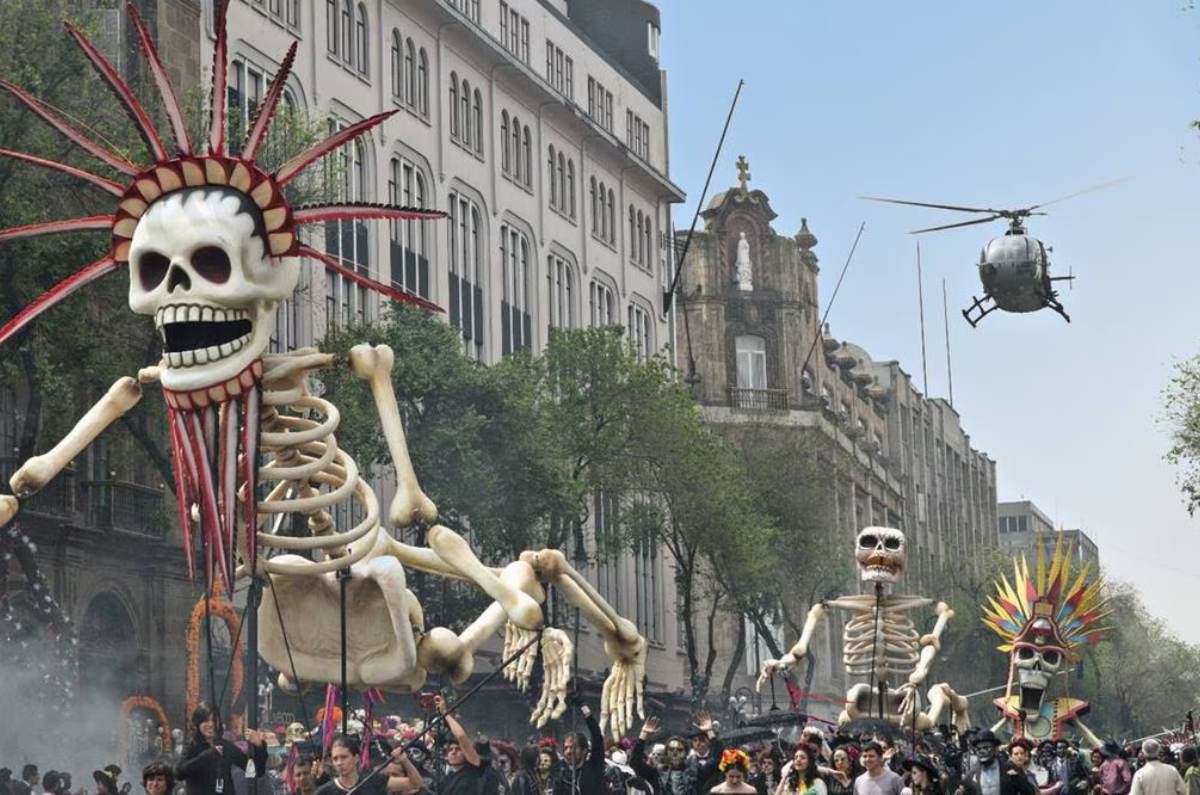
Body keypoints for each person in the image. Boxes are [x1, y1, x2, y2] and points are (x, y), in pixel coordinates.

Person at [177, 701, 269, 795]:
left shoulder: (226, 746)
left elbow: (257, 771)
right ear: (198, 723)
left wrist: (259, 746)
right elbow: (179, 773)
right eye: (205, 720)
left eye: (214, 720)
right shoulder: (192, 745)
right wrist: (208, 755)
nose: (210, 724)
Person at [315, 734, 423, 795]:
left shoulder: (374, 780)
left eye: (344, 757)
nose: (339, 763)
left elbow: (416, 784)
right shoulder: (324, 792)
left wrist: (405, 761)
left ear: (356, 758)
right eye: (335, 759)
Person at [955, 731, 1034, 795]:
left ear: (995, 749)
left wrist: (1019, 779)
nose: (982, 751)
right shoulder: (971, 775)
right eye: (979, 749)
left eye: (986, 747)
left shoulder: (1011, 770)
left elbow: (1029, 792)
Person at [553, 701, 605, 795]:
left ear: (584, 750)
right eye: (566, 748)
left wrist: (583, 706)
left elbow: (596, 735)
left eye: (573, 747)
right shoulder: (562, 777)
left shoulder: (594, 767)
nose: (568, 751)